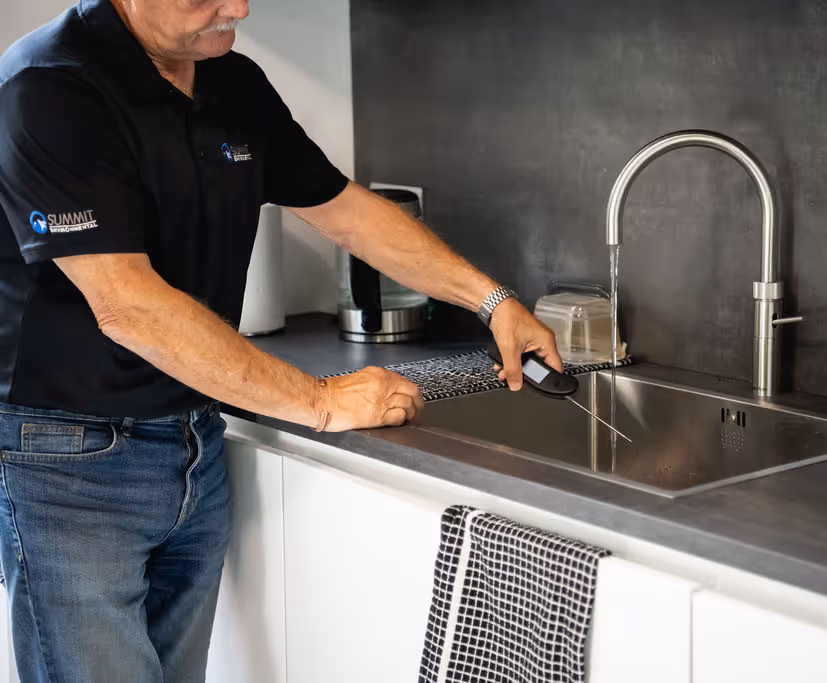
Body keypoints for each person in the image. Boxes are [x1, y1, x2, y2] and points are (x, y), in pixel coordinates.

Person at [0, 0, 561, 680]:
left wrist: (491, 300)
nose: (238, 7)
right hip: (69, 463)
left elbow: (344, 210)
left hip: (194, 441)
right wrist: (319, 400)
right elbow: (128, 305)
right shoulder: (48, 87)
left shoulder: (230, 79)